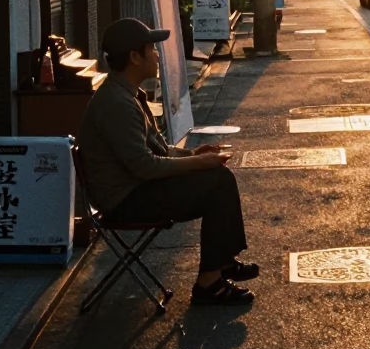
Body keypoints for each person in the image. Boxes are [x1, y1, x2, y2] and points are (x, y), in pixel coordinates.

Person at [78, 18, 257, 305]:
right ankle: (210, 281)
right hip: (125, 201)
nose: (157, 55)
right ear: (135, 57)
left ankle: (220, 264)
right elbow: (146, 166)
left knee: (218, 178)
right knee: (217, 181)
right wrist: (199, 165)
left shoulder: (127, 95)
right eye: (151, 49)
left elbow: (157, 151)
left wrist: (194, 155)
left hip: (135, 189)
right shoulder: (116, 103)